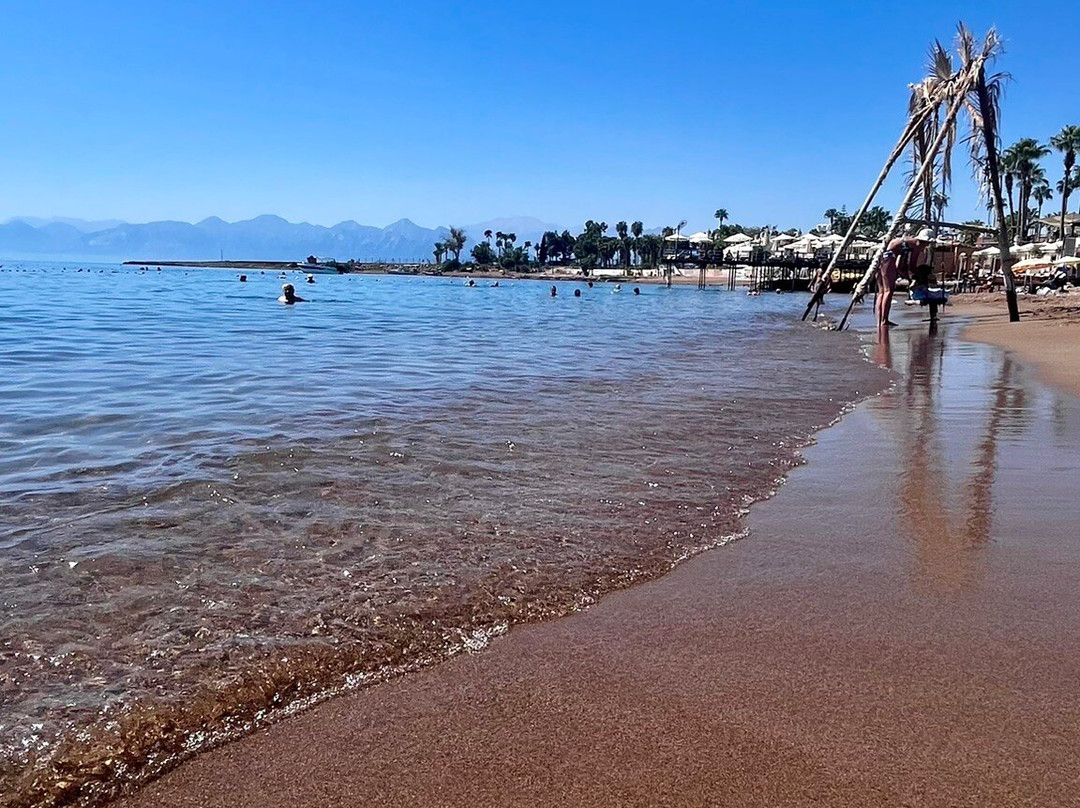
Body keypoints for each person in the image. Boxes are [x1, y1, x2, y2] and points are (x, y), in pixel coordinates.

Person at [877, 227, 935, 327]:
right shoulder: (916, 246)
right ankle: (884, 321)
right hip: (888, 258)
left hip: (880, 257)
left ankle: (880, 320)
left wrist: (909, 277)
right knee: (888, 291)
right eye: (927, 243)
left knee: (882, 292)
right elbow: (911, 265)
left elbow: (901, 266)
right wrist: (917, 277)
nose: (927, 245)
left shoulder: (908, 241)